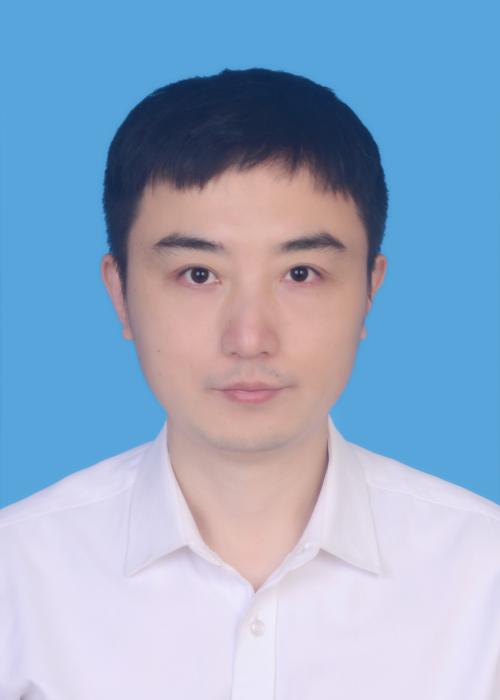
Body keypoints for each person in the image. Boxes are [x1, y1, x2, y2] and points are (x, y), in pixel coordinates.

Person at [1, 67, 499, 700]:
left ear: (369, 290)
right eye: (198, 274)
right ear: (120, 293)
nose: (249, 337)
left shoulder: (484, 578)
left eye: (301, 273)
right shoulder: (19, 576)